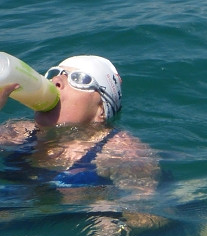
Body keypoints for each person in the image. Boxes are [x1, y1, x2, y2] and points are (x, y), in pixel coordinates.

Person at [0, 55, 159, 196]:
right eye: (55, 73)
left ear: (101, 110)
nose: (57, 80)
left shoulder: (121, 150)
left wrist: (110, 216)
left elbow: (147, 209)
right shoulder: (18, 132)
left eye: (78, 79)